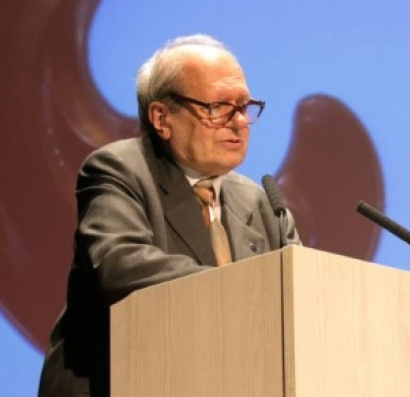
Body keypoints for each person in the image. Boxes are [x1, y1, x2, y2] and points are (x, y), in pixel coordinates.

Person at [38, 34, 299, 397]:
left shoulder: (258, 201)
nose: (239, 121)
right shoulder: (119, 169)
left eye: (244, 106)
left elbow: (298, 297)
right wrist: (241, 293)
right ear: (162, 118)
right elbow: (118, 265)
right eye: (218, 107)